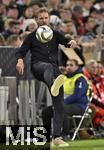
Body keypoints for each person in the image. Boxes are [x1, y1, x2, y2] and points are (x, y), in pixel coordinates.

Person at [15, 7, 77, 147]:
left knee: (59, 105)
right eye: (41, 18)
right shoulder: (31, 36)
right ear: (37, 20)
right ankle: (54, 82)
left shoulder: (55, 34)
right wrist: (19, 60)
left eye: (46, 18)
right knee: (49, 67)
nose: (43, 20)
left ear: (49, 19)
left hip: (54, 72)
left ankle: (56, 138)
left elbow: (67, 41)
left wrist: (71, 42)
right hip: (38, 68)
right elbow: (20, 52)